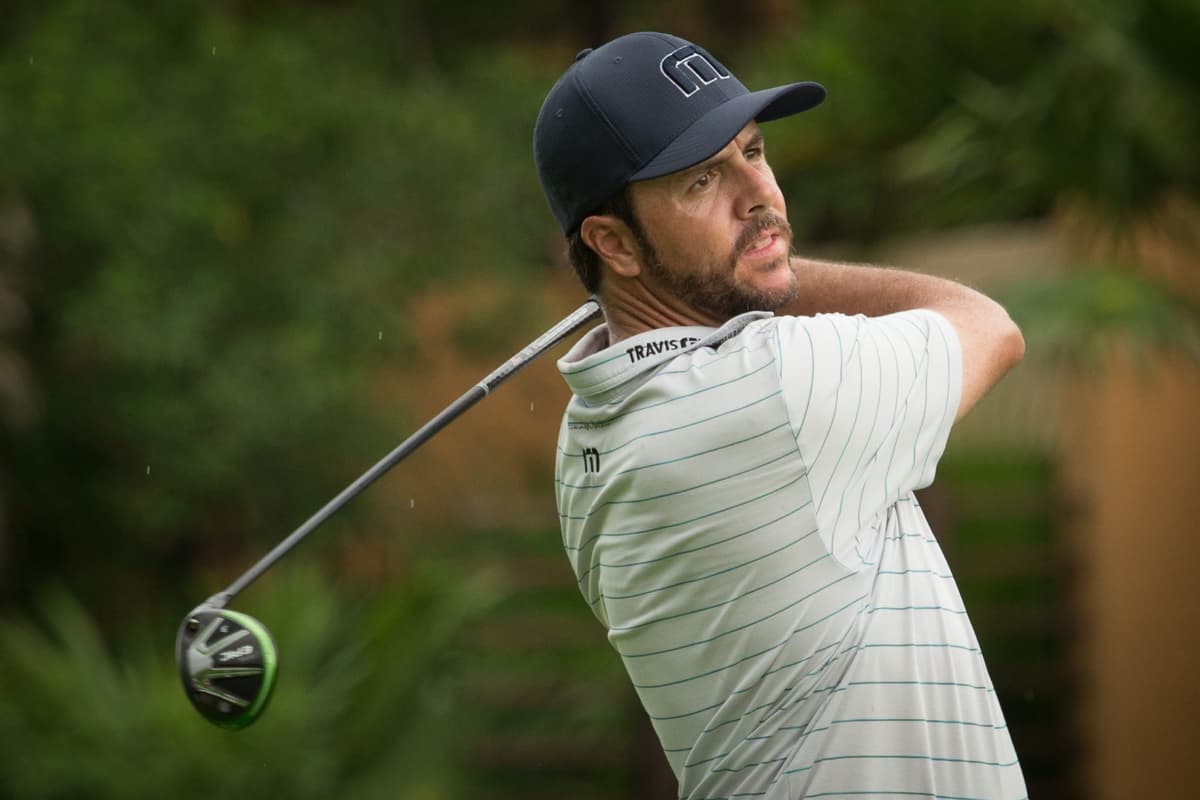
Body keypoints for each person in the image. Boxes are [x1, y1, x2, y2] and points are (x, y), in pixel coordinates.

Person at [534, 31, 1027, 800]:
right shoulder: (774, 390)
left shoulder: (585, 444)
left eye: (753, 150)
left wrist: (745, 261)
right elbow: (988, 326)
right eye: (700, 181)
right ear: (613, 243)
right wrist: (777, 265)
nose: (756, 194)